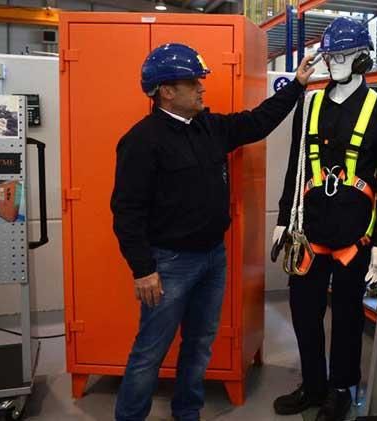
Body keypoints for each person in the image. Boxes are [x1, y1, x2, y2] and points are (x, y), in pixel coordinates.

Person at [110, 43, 315, 421]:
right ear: (166, 91)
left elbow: (258, 121)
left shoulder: (210, 127)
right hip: (168, 265)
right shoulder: (142, 141)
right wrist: (142, 269)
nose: (202, 88)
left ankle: (187, 411)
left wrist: (298, 84)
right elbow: (126, 211)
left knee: (200, 343)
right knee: (149, 351)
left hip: (212, 258)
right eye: (193, 82)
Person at [271, 17, 377, 421]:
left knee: (346, 317)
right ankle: (313, 385)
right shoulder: (309, 104)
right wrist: (281, 220)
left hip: (354, 237)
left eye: (342, 55)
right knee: (303, 311)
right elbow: (295, 166)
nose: (335, 62)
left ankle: (340, 389)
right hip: (310, 232)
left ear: (362, 58)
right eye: (330, 55)